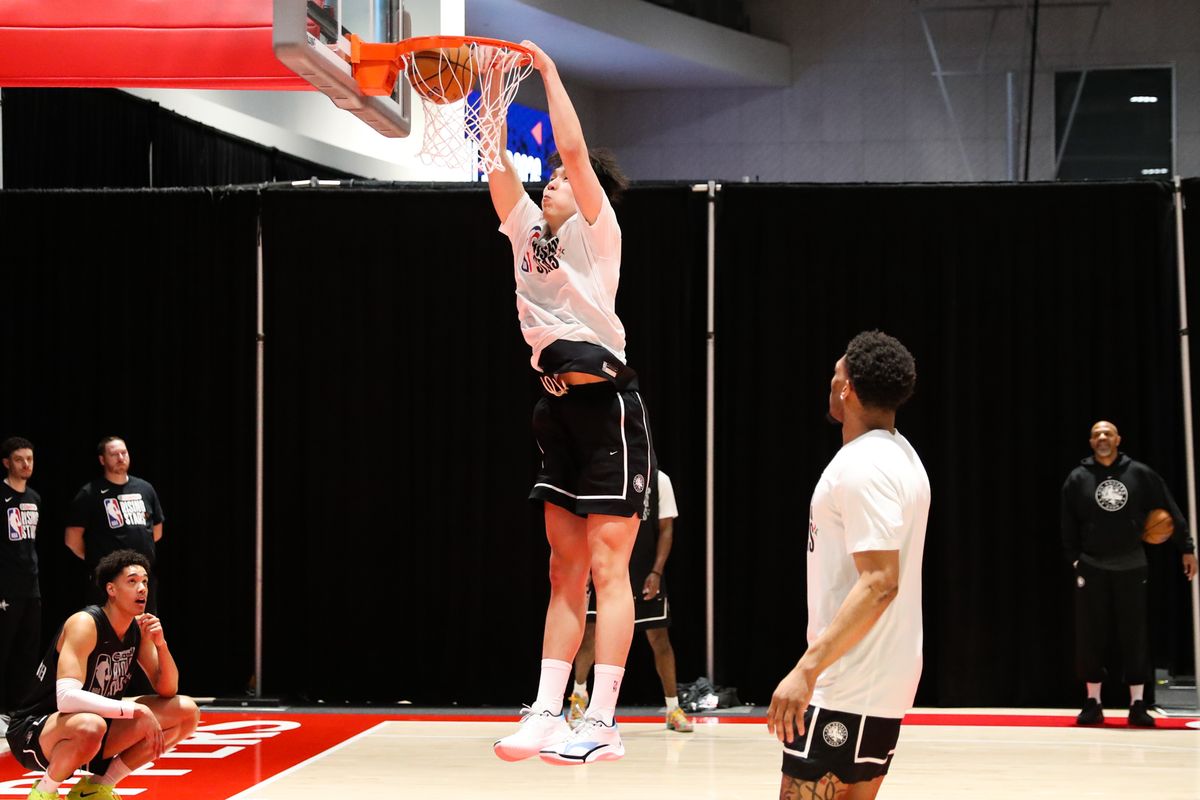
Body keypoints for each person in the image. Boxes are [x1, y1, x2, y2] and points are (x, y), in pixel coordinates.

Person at [487, 40, 654, 766]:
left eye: (557, 179)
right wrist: (488, 99)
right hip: (554, 408)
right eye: (546, 179)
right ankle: (549, 709)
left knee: (612, 569)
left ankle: (605, 721)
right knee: (564, 571)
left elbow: (577, 153)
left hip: (609, 407)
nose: (550, 182)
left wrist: (546, 73)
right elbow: (495, 168)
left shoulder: (596, 231)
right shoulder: (527, 233)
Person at [767, 331, 929, 800]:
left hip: (849, 681)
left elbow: (880, 583)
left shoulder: (866, 465)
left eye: (835, 375)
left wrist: (806, 670)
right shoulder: (900, 455)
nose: (830, 382)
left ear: (848, 388)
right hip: (874, 679)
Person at [5, 549, 199, 800]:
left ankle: (96, 788)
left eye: (145, 582)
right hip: (37, 729)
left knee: (186, 712)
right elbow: (66, 698)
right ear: (111, 589)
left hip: (94, 726)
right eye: (132, 581)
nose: (142, 588)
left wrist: (161, 645)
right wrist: (135, 710)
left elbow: (167, 690)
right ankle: (43, 793)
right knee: (91, 724)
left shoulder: (138, 628)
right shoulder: (84, 624)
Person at [1061, 420, 1198, 728]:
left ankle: (1137, 704)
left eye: (1107, 433)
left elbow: (1169, 507)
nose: (1102, 437)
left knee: (1134, 635)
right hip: (1092, 566)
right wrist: (1074, 560)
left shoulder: (1139, 473)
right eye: (1096, 434)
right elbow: (1066, 523)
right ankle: (1093, 702)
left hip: (1131, 564)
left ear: (1118, 439)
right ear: (1091, 441)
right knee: (1090, 636)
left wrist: (1186, 547)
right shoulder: (1078, 477)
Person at [569, 468, 693, 733]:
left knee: (660, 639)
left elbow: (666, 530)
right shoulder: (604, 475)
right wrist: (587, 567)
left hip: (644, 571)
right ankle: (579, 699)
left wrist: (656, 571)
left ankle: (673, 709)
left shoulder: (660, 480)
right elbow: (585, 525)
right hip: (606, 568)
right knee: (590, 635)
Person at [65, 437, 165, 612]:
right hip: (109, 581)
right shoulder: (90, 493)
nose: (120, 458)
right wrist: (103, 561)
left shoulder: (145, 488)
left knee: (144, 631)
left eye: (123, 453)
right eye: (114, 454)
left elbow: (156, 531)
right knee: (108, 634)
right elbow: (72, 539)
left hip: (142, 578)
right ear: (102, 460)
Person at [1, 437, 42, 738]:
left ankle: (18, 710)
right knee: (3, 647)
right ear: (7, 463)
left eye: (29, 459)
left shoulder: (34, 498)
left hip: (31, 585)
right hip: (6, 587)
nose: (26, 464)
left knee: (27, 650)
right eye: (19, 459)